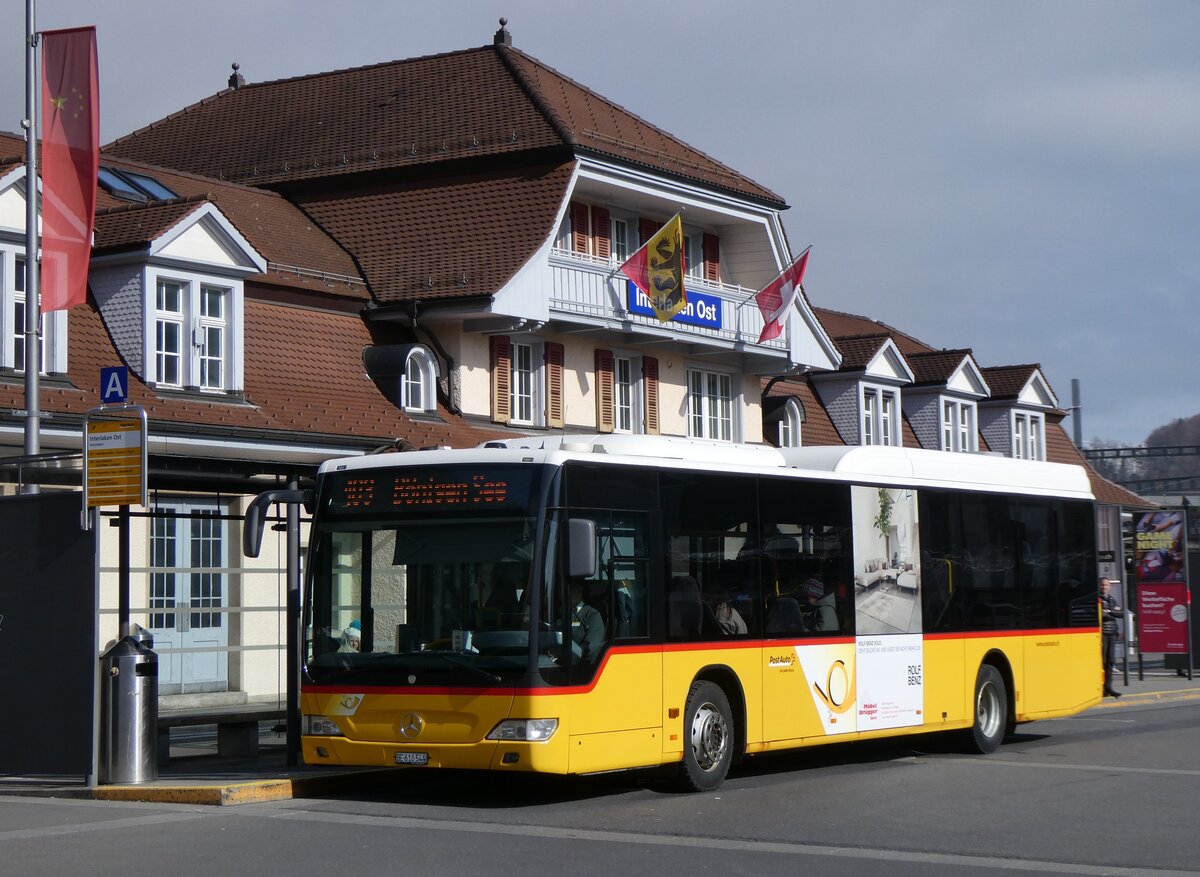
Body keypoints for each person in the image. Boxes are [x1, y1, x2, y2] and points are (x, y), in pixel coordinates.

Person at [569, 578, 605, 662]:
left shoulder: (592, 615)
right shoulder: (561, 613)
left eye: (571, 589)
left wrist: (565, 654)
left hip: (583, 667)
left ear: (580, 591)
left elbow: (590, 647)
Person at [1099, 577, 1121, 698]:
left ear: (1110, 587)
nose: (1104, 587)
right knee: (1102, 662)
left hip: (1112, 633)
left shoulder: (1111, 599)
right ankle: (1102, 687)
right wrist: (1113, 612)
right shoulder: (1098, 599)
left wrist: (1110, 611)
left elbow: (1121, 613)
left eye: (1106, 585)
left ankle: (1109, 687)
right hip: (1102, 634)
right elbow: (1101, 615)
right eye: (1102, 585)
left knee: (1110, 662)